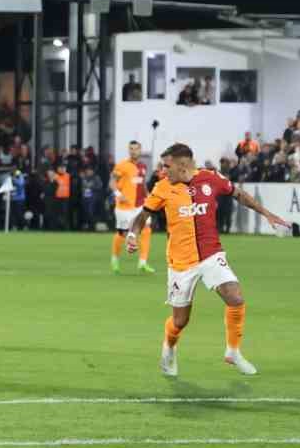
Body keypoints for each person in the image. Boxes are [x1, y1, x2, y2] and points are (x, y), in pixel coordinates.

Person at [126, 143, 290, 378]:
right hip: (181, 263)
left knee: (235, 297)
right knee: (180, 321)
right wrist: (133, 235)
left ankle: (233, 351)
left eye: (167, 166)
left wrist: (267, 214)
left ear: (183, 165)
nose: (163, 171)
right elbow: (142, 216)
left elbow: (238, 194)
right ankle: (169, 347)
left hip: (212, 255)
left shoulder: (211, 178)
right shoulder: (162, 187)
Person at [110, 141, 155, 274]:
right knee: (123, 234)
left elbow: (142, 185)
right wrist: (119, 194)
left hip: (140, 205)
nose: (133, 151)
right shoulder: (122, 165)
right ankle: (115, 259)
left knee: (146, 229)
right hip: (124, 206)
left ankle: (143, 262)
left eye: (136, 149)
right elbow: (112, 182)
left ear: (140, 150)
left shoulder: (142, 166)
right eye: (131, 149)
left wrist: (148, 196)